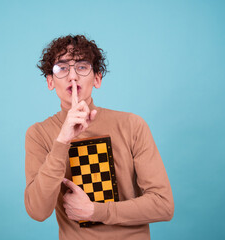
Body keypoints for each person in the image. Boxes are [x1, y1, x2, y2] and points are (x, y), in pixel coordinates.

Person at [24, 34, 174, 240]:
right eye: (62, 68)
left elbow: (163, 205)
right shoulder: (39, 134)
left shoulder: (132, 125)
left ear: (97, 79)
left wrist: (97, 211)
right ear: (50, 81)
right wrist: (62, 141)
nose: (73, 76)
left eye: (82, 67)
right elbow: (38, 212)